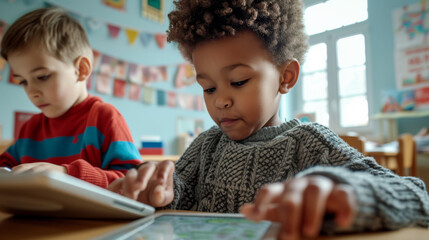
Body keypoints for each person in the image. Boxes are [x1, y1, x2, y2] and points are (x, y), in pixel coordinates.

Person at [108, 0, 429, 239]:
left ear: (285, 76)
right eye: (207, 87)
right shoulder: (207, 145)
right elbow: (181, 195)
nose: (220, 99)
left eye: (238, 82)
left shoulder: (310, 144)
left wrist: (352, 194)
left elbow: (417, 197)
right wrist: (159, 191)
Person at [0, 7, 142, 188]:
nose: (32, 91)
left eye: (42, 77)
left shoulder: (104, 117)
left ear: (81, 70)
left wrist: (66, 174)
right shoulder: (30, 129)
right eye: (23, 82)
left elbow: (132, 183)